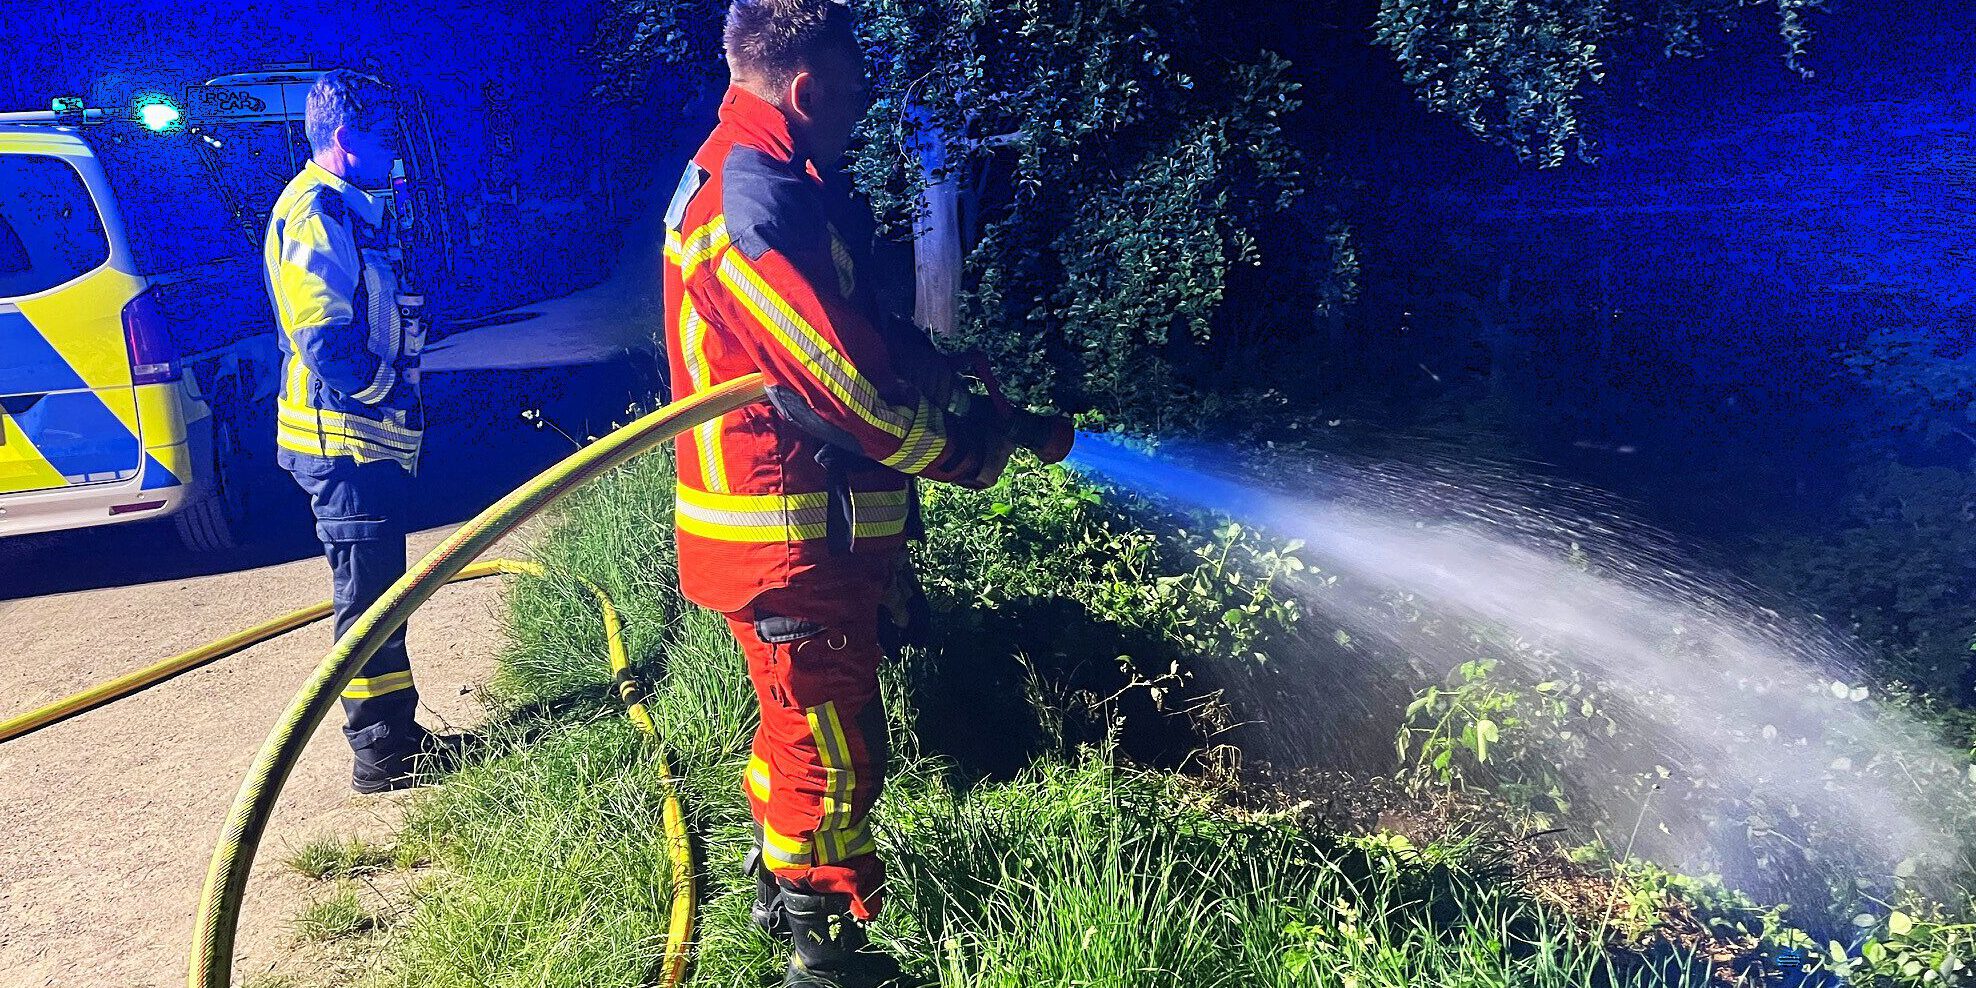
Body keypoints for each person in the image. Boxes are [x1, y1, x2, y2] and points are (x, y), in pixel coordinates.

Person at [661, 2, 1035, 983]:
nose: (862, 113)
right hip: (790, 537)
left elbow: (841, 334)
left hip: (794, 530)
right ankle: (823, 951)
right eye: (856, 94)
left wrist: (935, 366)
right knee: (834, 746)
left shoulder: (767, 175)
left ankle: (777, 876)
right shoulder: (754, 203)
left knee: (797, 729)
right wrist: (959, 455)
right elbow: (843, 390)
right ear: (808, 88)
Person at [262, 69, 441, 794]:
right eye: (383, 138)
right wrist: (388, 390)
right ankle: (381, 752)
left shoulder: (349, 207)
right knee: (367, 607)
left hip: (361, 441)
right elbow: (327, 346)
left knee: (380, 600)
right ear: (344, 139)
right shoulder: (314, 215)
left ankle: (396, 736)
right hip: (339, 441)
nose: (395, 153)